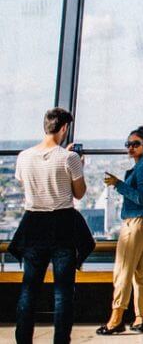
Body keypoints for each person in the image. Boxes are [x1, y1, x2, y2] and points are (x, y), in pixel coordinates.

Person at [10, 108, 95, 344]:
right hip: (62, 225)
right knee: (63, 293)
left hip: (33, 224)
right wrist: (78, 165)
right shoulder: (70, 158)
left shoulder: (23, 156)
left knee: (29, 290)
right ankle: (60, 341)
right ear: (65, 128)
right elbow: (79, 193)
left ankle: (23, 339)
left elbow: (23, 182)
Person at [96, 126, 143, 335]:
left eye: (135, 144)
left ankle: (116, 319)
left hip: (136, 224)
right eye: (128, 144)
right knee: (142, 272)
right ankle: (140, 317)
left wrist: (118, 184)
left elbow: (140, 197)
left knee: (123, 270)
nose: (130, 148)